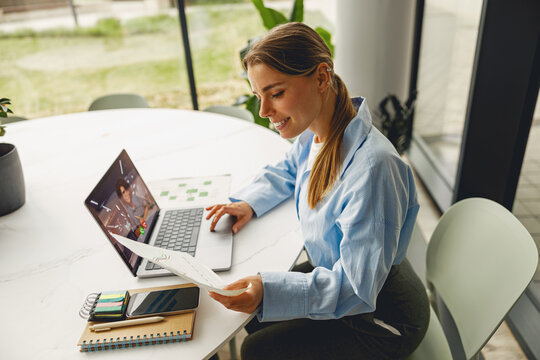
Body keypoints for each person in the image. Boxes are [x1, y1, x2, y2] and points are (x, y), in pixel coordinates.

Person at [206, 22, 429, 360]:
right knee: (254, 317)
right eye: (258, 96)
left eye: (276, 93)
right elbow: (289, 169)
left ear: (322, 77)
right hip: (347, 272)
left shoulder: (373, 170)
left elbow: (356, 288)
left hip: (382, 316)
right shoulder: (317, 129)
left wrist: (270, 290)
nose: (265, 112)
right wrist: (248, 202)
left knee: (258, 347)